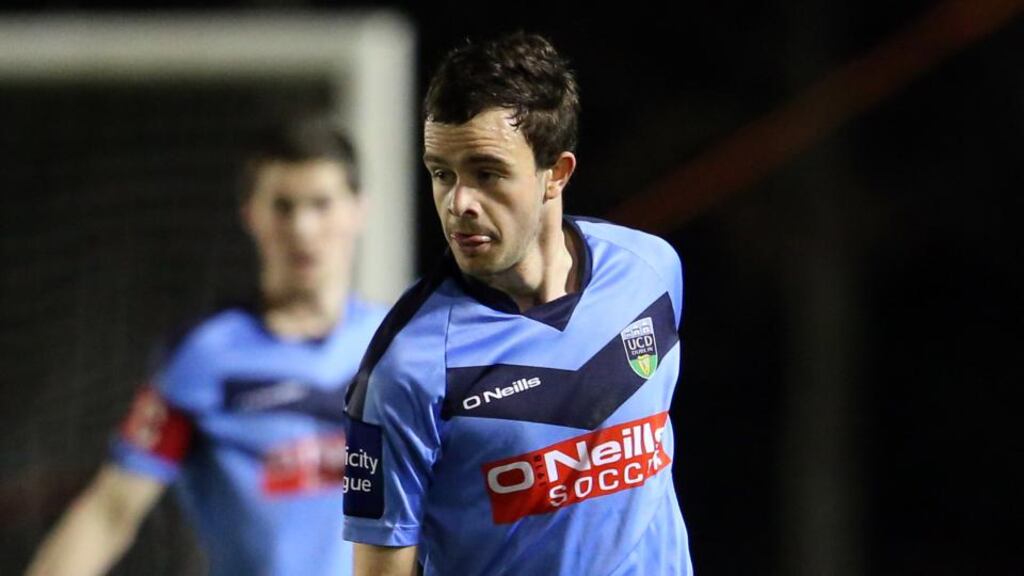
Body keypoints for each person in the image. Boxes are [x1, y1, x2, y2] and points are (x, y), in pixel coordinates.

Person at [342, 32, 693, 575]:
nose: (459, 203)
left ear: (557, 173)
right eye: (442, 174)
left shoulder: (650, 272)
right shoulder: (407, 367)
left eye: (487, 173)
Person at [26, 118, 387, 576]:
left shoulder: (400, 347)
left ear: (359, 210)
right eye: (283, 207)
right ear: (251, 214)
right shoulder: (206, 359)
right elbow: (110, 512)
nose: (303, 228)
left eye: (321, 204)